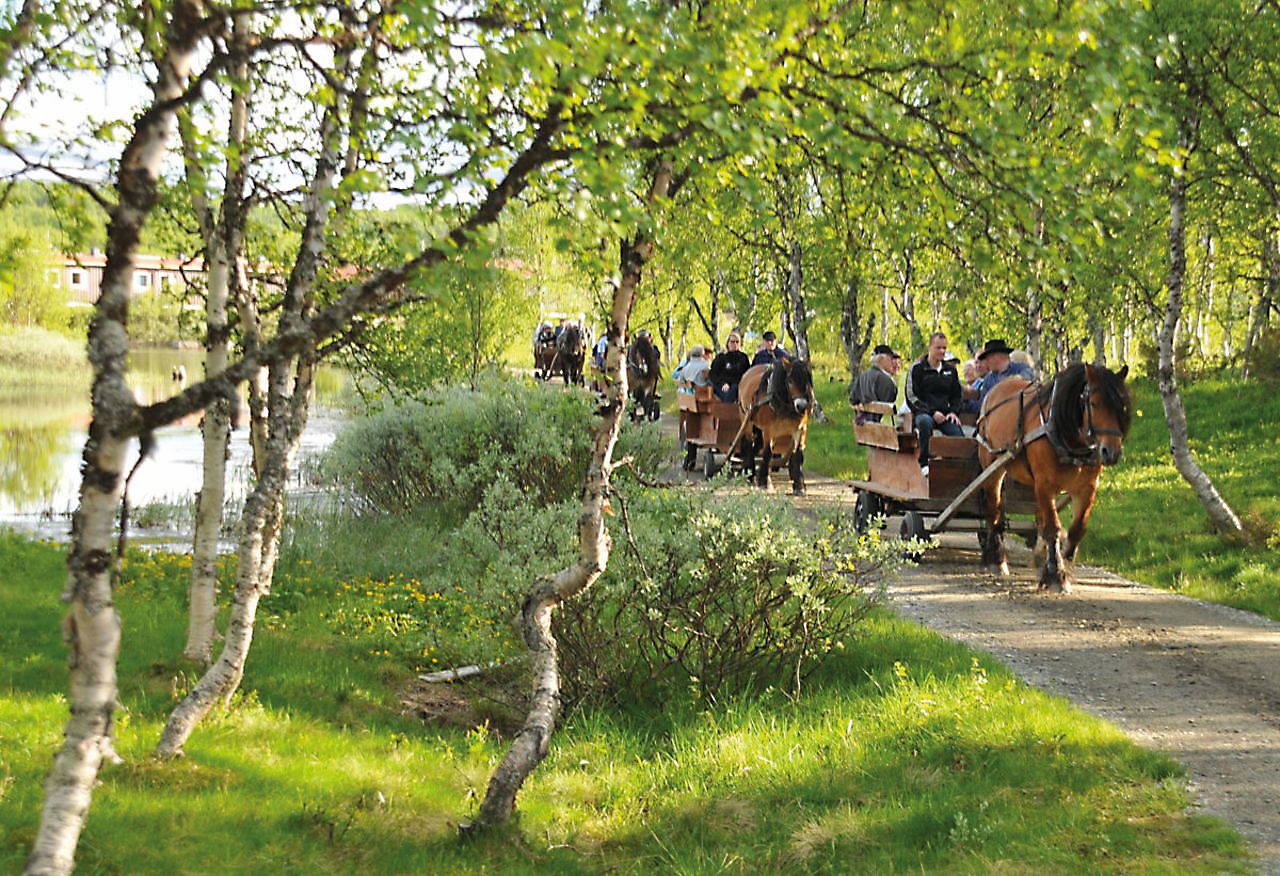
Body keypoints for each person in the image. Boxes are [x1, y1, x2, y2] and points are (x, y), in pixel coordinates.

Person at [906, 331, 964, 475]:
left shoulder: (950, 371)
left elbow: (957, 395)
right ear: (930, 347)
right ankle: (925, 462)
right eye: (938, 348)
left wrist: (953, 412)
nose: (942, 351)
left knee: (958, 435)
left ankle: (957, 468)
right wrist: (931, 412)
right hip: (924, 413)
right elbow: (911, 397)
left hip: (945, 415)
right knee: (925, 424)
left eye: (944, 348)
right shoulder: (918, 369)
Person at [975, 339, 1036, 409]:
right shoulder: (988, 380)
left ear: (996, 357)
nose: (986, 362)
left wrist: (1013, 381)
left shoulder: (1021, 368)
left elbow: (1029, 375)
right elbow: (982, 405)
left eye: (987, 358)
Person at [849, 344, 900, 424]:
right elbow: (891, 405)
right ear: (883, 359)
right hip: (882, 427)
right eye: (890, 358)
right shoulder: (886, 381)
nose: (892, 362)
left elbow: (853, 399)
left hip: (864, 426)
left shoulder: (862, 376)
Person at [709, 332, 751, 401]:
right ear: (727, 343)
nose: (735, 344)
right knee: (730, 392)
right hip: (723, 385)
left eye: (737, 342)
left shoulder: (743, 357)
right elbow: (713, 374)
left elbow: (747, 373)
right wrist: (723, 383)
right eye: (732, 342)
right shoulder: (721, 357)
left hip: (739, 385)